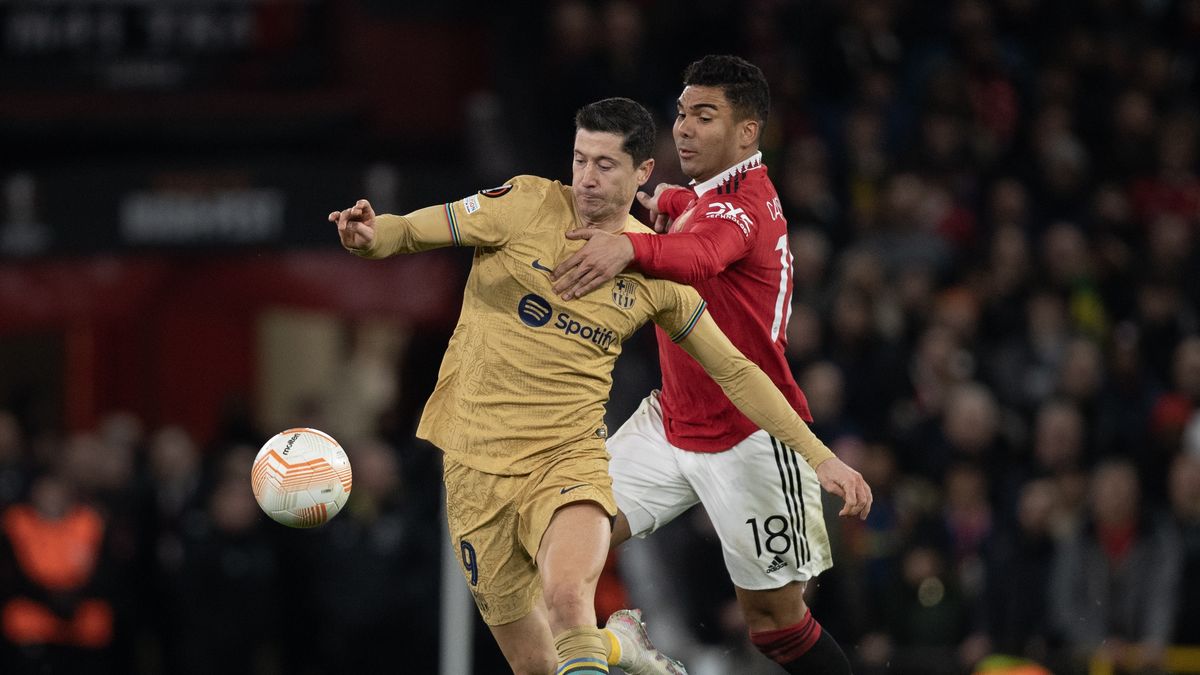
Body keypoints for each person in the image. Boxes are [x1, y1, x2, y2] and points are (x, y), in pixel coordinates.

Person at [329, 96, 871, 675]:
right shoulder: (524, 203)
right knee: (536, 665)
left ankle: (610, 642)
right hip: (473, 465)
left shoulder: (653, 270)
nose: (586, 178)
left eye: (605, 164)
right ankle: (622, 649)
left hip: (568, 460)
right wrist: (371, 236)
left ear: (642, 171)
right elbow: (414, 230)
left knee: (568, 598)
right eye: (580, 159)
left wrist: (820, 458)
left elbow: (736, 371)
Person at [550, 56, 861, 673]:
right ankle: (626, 649)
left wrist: (629, 245)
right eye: (682, 113)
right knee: (559, 544)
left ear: (747, 132)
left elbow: (699, 255)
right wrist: (664, 198)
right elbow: (692, 213)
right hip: (671, 423)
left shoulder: (744, 208)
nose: (684, 128)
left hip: (751, 437)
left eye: (704, 116)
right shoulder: (704, 195)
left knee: (775, 627)